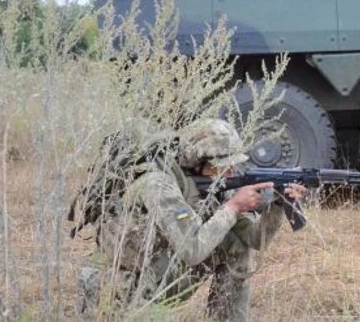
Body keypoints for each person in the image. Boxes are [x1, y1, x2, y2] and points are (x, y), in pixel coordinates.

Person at [76, 118, 306, 322]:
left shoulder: (213, 179)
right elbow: (192, 250)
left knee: (237, 247)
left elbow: (255, 240)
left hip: (158, 274)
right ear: (198, 160)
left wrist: (277, 204)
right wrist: (233, 206)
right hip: (123, 290)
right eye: (222, 164)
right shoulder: (157, 183)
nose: (230, 170)